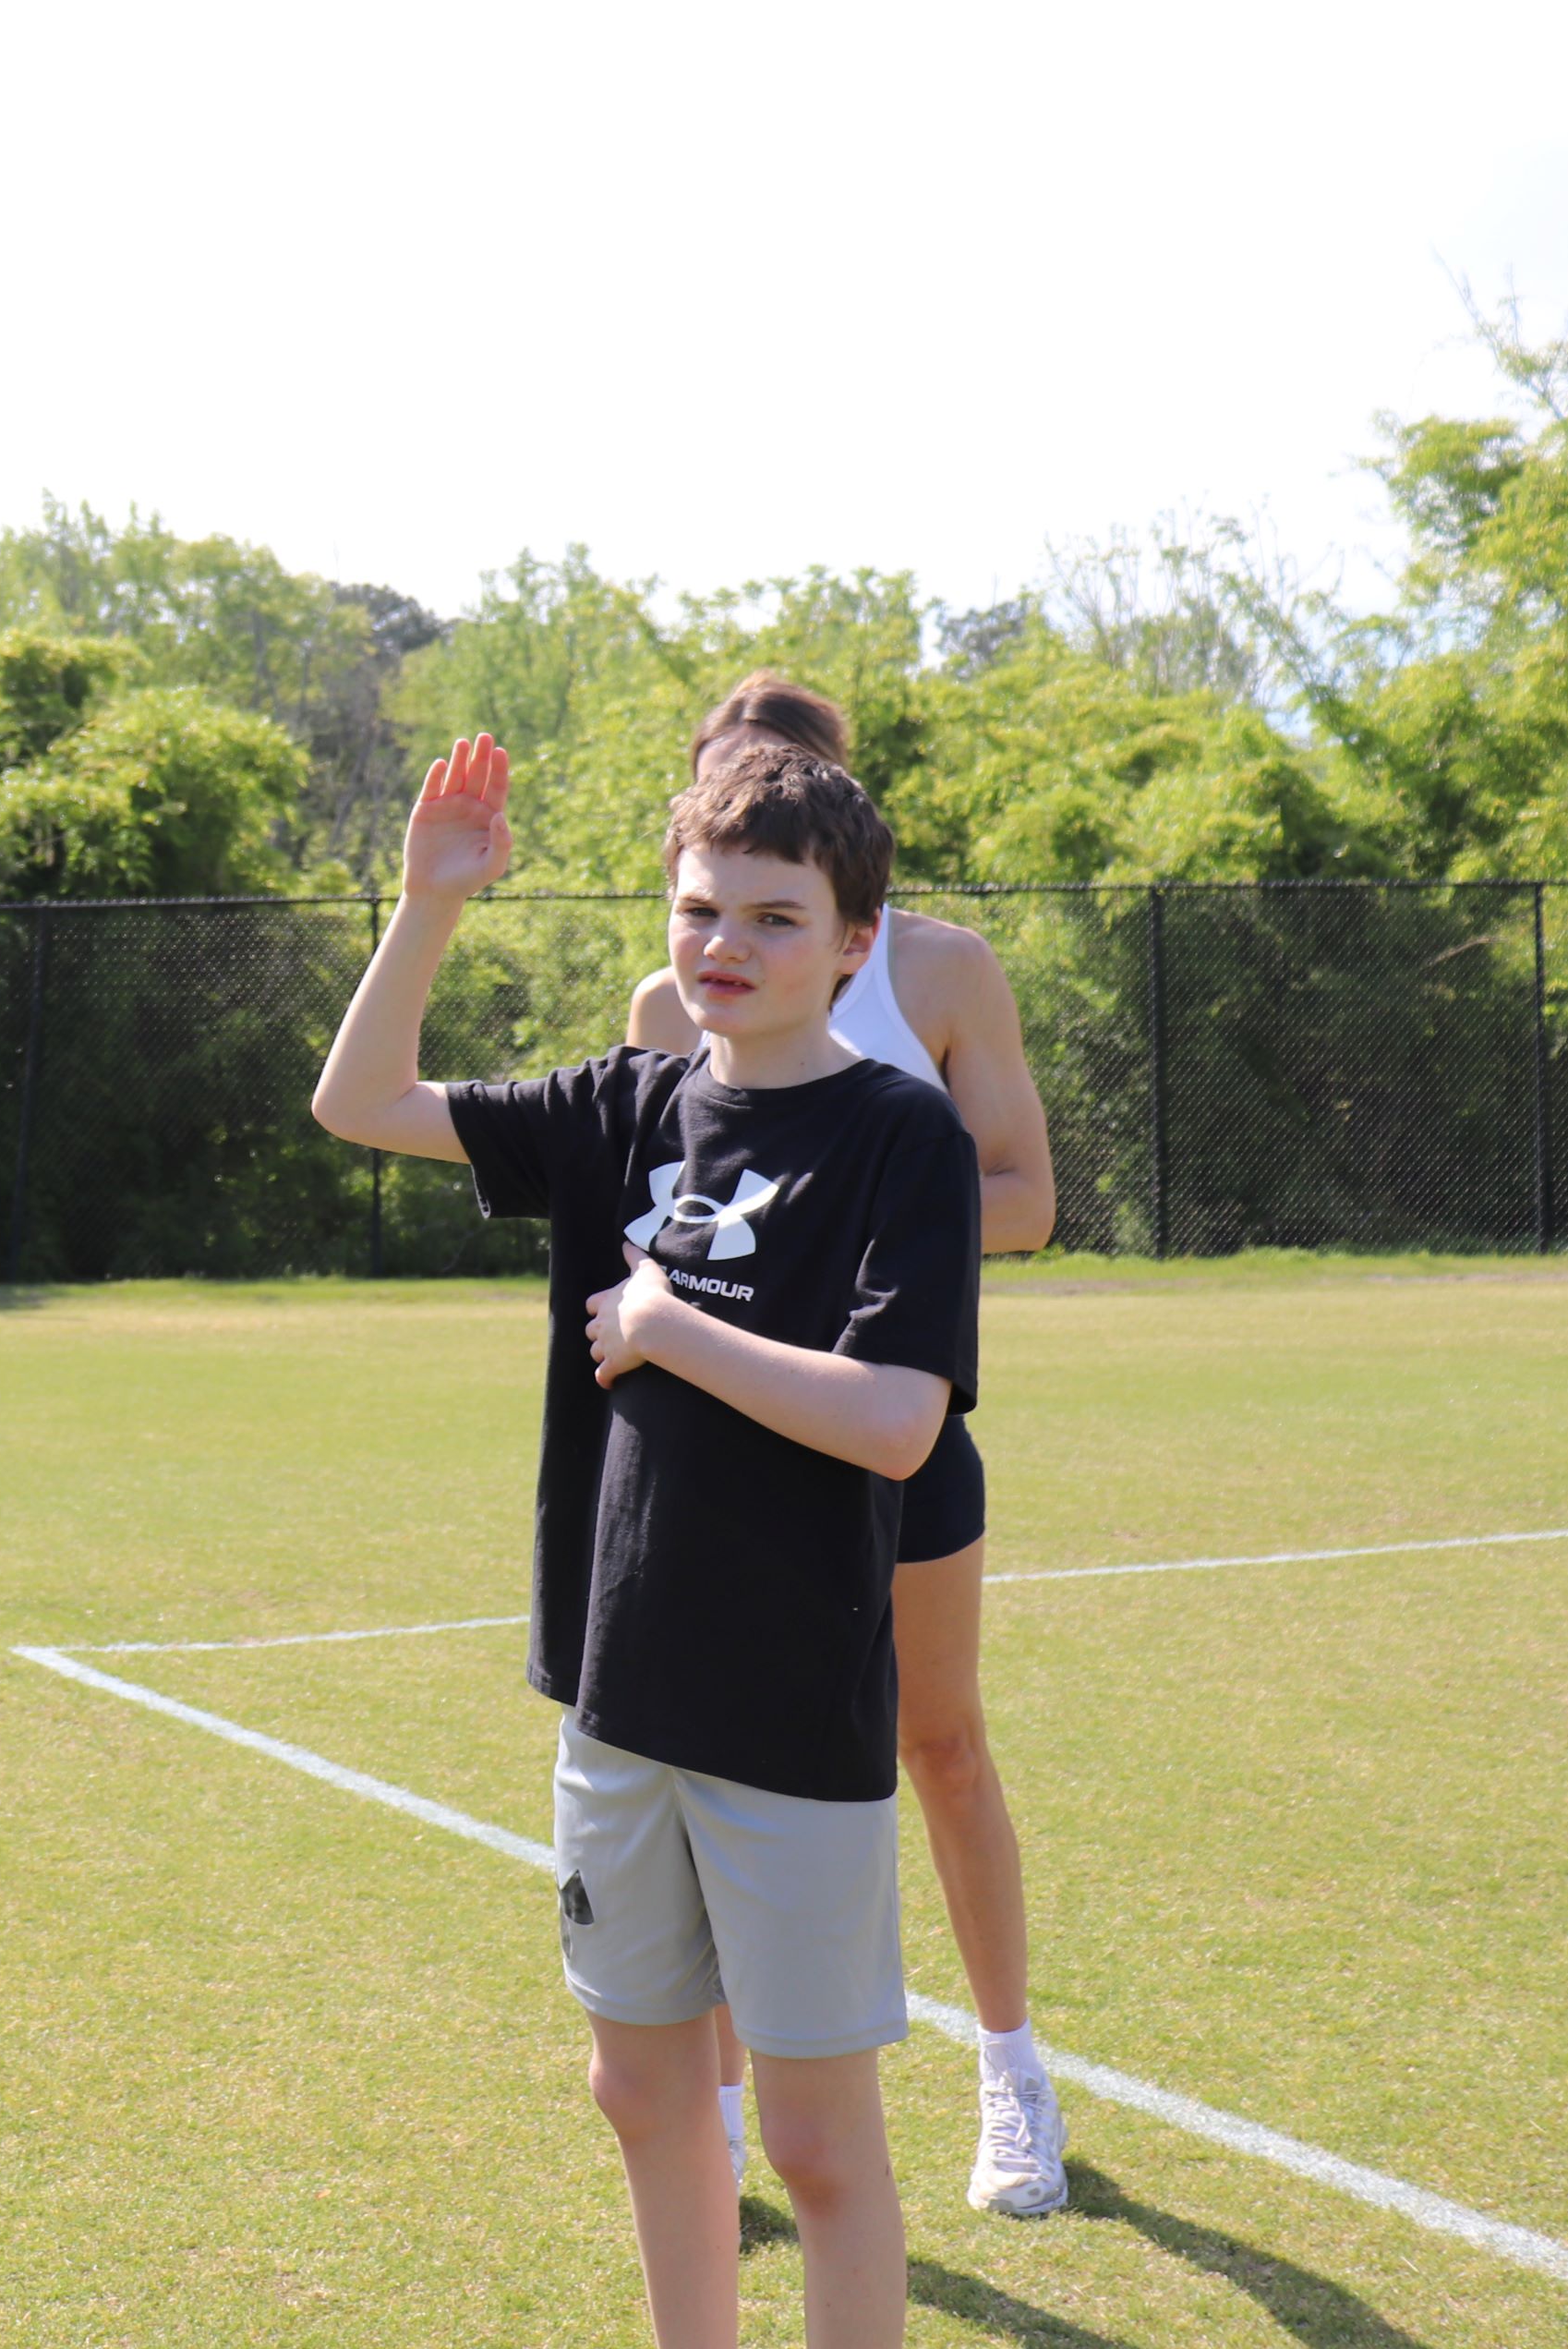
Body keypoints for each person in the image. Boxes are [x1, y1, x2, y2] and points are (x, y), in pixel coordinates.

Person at [313, 732, 981, 2349]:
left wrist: (676, 1328)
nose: (726, 947)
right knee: (638, 2088)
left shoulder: (901, 1138)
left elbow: (898, 1420)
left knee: (819, 2149)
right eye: (701, 911)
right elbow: (360, 1100)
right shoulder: (626, 1106)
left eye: (771, 917)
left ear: (852, 943)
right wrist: (425, 906)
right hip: (620, 1705)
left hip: (789, 1723)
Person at [622, 672, 1067, 2220]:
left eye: (776, 782)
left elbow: (1025, 1195)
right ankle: (729, 2116)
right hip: (732, 1466)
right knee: (722, 1774)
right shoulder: (667, 1006)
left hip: (896, 1443)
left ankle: (1013, 2075)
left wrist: (867, 1223)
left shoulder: (939, 969)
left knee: (937, 1747)